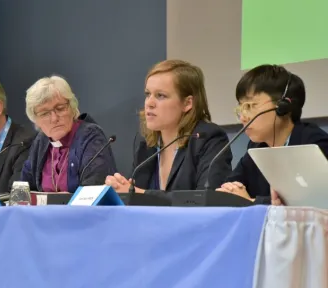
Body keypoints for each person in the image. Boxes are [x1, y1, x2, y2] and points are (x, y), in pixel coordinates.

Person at [105, 59, 232, 198]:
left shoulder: (208, 139)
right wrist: (119, 190)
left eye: (160, 96)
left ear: (187, 103)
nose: (149, 103)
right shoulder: (145, 142)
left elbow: (207, 199)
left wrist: (141, 194)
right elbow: (134, 196)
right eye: (148, 94)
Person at [217, 64, 328, 205]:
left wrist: (253, 201)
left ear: (283, 106)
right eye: (241, 107)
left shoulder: (314, 144)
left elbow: (313, 203)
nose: (243, 117)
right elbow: (230, 188)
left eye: (250, 106)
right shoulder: (257, 147)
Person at [21, 75, 117, 192]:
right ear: (36, 120)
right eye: (45, 113)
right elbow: (23, 190)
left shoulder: (91, 137)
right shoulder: (41, 141)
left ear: (72, 108)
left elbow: (94, 190)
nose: (54, 118)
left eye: (60, 108)